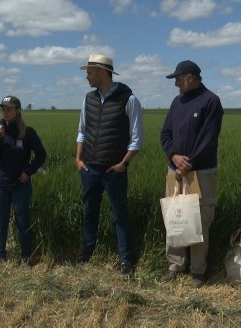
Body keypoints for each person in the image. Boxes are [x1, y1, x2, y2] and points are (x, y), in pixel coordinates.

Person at [75, 54, 143, 277]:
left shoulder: (128, 99)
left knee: (120, 215)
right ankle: (87, 254)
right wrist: (78, 159)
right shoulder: (88, 99)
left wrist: (124, 164)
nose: (87, 76)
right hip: (89, 169)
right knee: (89, 213)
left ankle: (125, 261)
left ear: (103, 72)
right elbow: (82, 131)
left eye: (90, 72)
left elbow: (136, 139)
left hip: (114, 170)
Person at [160, 60, 223, 288]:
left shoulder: (211, 101)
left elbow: (208, 140)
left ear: (190, 77)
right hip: (174, 171)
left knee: (199, 219)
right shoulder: (177, 102)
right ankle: (175, 265)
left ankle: (198, 271)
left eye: (177, 78)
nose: (175, 83)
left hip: (201, 172)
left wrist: (189, 163)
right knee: (174, 217)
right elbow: (165, 134)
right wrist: (174, 156)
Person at [0, 96, 46, 269]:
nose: (5, 112)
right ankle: (0, 257)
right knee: (1, 221)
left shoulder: (27, 133)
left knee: (22, 221)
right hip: (0, 185)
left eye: (9, 109)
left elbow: (41, 155)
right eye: (3, 109)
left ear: (17, 111)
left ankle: (26, 257)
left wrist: (28, 171)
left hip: (20, 186)